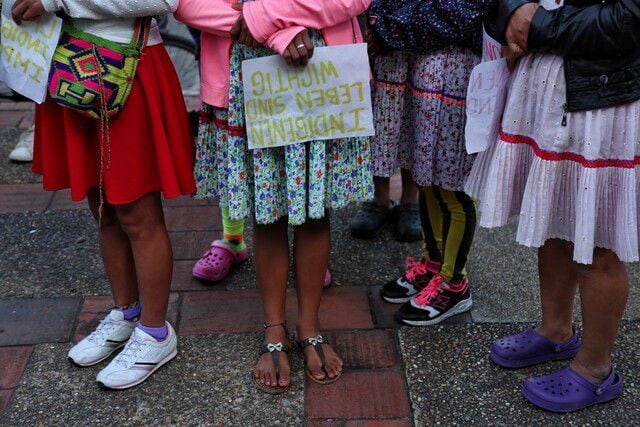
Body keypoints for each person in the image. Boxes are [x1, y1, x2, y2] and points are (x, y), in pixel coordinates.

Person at [176, 0, 372, 394]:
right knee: (267, 214)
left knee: (316, 212)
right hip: (247, 72)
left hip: (319, 67)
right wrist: (272, 29)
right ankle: (275, 329)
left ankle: (309, 325)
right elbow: (184, 3)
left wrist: (262, 16)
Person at [466, 0, 640, 412]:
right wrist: (510, 10)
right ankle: (556, 330)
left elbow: (631, 18)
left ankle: (596, 369)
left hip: (602, 94)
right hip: (548, 86)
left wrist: (538, 24)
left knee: (599, 240)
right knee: (555, 216)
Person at [12, 0, 195, 389]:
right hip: (71, 63)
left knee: (135, 212)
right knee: (103, 207)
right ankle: (127, 313)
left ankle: (156, 333)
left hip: (125, 68)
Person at [368, 0, 495, 325]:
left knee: (452, 184)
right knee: (427, 176)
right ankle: (434, 264)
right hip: (425, 73)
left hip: (457, 75)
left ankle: (455, 284)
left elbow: (459, 12)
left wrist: (389, 27)